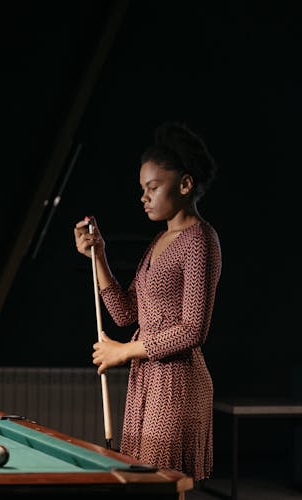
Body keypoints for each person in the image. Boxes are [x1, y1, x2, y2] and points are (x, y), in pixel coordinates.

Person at [73, 121, 221, 481]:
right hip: (148, 381)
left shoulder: (199, 239)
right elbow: (125, 313)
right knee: (141, 484)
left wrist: (124, 352)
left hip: (177, 386)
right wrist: (99, 257)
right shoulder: (158, 242)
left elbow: (192, 331)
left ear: (185, 185)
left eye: (152, 187)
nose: (144, 197)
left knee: (159, 486)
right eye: (142, 189)